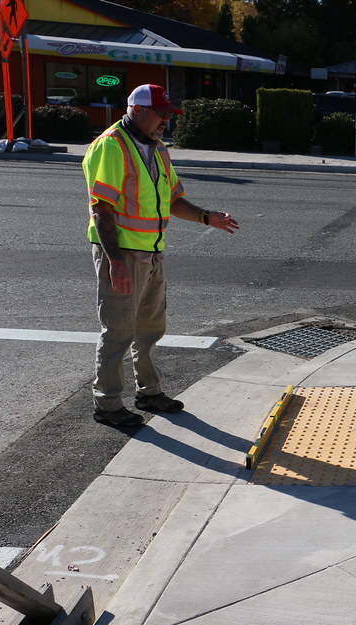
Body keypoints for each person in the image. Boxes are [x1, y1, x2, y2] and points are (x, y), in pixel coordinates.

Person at [83, 83, 240, 427]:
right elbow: (102, 209)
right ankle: (107, 405)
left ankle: (149, 392)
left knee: (150, 329)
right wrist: (115, 261)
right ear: (137, 110)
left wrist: (205, 216)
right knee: (118, 332)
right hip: (122, 254)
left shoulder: (157, 149)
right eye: (161, 114)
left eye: (169, 115)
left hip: (152, 254)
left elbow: (171, 200)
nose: (166, 121)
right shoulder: (112, 146)